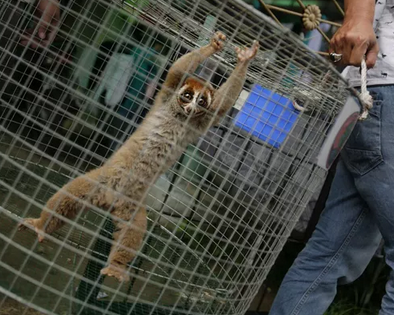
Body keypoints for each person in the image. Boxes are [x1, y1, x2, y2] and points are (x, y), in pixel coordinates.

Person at [269, 0, 394, 314]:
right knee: (327, 257)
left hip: (369, 94)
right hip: (385, 89)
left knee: (329, 256)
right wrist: (359, 15)